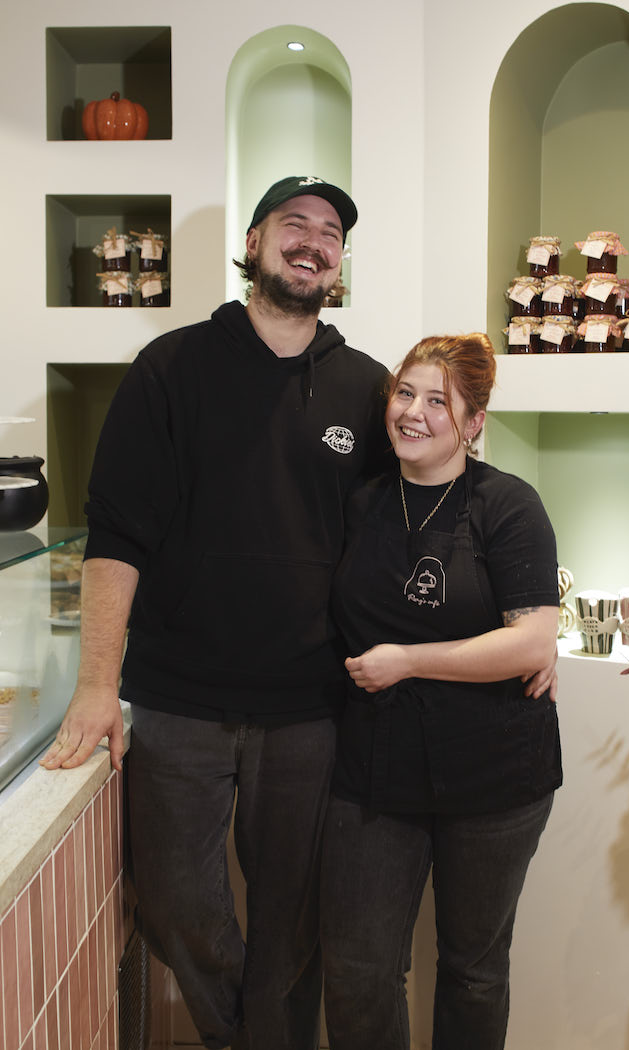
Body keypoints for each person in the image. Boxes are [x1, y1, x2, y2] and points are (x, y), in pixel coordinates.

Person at [40, 176, 392, 1050]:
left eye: (331, 234)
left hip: (310, 708)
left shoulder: (366, 388)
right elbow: (117, 538)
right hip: (178, 706)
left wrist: (518, 619)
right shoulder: (172, 368)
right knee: (172, 904)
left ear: (340, 263)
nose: (313, 242)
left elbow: (404, 536)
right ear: (255, 238)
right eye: (295, 224)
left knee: (292, 922)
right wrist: (95, 686)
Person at [320, 333, 562, 1050]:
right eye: (405, 393)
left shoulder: (508, 506)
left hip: (494, 774)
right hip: (374, 768)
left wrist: (407, 660)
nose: (414, 413)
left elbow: (530, 642)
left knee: (473, 972)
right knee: (360, 970)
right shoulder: (361, 501)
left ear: (474, 422)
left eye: (438, 401)